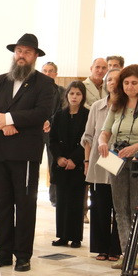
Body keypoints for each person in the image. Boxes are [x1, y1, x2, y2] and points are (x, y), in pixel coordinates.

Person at [0, 33, 54, 272]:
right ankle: (3, 252)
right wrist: (1, 123)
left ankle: (22, 254)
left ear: (35, 56)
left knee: (24, 205)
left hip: (25, 153)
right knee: (2, 204)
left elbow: (42, 112)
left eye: (27, 52)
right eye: (19, 51)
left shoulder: (44, 83)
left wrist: (9, 119)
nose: (22, 56)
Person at [97, 64, 138, 270]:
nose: (130, 87)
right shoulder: (117, 104)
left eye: (134, 83)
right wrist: (102, 142)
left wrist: (135, 147)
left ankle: (137, 254)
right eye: (126, 83)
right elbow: (105, 131)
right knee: (120, 207)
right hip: (117, 157)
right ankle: (125, 252)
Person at [82, 68, 122, 261]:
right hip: (99, 160)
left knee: (118, 206)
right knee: (99, 205)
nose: (112, 83)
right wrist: (86, 161)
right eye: (109, 79)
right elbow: (88, 136)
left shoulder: (128, 106)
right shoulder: (97, 106)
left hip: (119, 159)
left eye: (117, 79)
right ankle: (101, 247)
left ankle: (116, 248)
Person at [50, 81, 89, 248]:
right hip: (61, 164)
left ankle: (76, 237)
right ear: (66, 95)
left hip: (77, 165)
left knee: (76, 202)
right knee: (62, 201)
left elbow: (87, 141)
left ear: (83, 96)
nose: (74, 97)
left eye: (78, 94)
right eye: (72, 93)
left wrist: (74, 159)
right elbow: (52, 140)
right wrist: (59, 157)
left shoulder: (87, 115)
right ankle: (62, 236)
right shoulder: (59, 115)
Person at [42, 61, 66, 207]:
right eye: (45, 71)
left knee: (54, 163)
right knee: (32, 162)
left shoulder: (62, 91)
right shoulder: (34, 90)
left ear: (56, 74)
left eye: (51, 71)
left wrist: (49, 122)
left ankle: (54, 197)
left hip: (53, 131)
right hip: (36, 131)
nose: (47, 73)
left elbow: (62, 110)